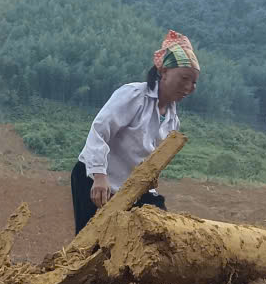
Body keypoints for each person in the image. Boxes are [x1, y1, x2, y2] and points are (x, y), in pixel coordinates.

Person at [70, 30, 200, 233]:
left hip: (130, 189)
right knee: (90, 248)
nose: (189, 87)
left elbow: (151, 163)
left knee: (157, 234)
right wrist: (99, 177)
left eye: (193, 82)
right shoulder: (134, 96)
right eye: (184, 78)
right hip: (95, 179)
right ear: (164, 71)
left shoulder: (173, 121)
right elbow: (99, 131)